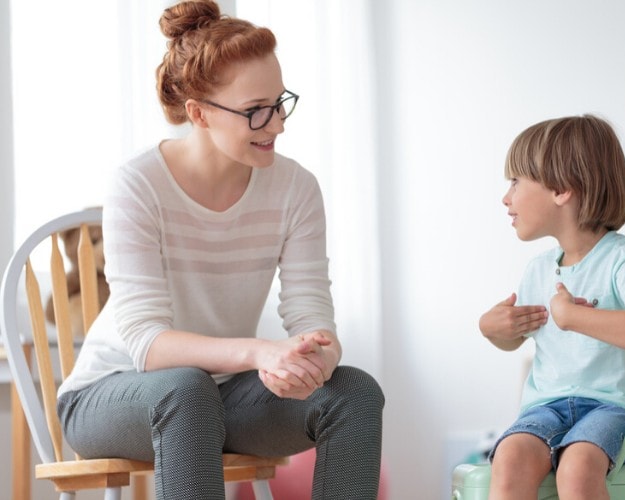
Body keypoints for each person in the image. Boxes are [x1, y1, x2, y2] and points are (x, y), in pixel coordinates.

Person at [56, 1, 384, 498]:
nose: (277, 125)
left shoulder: (296, 189)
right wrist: (258, 352)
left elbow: (312, 312)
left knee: (353, 392)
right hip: (114, 393)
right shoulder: (137, 185)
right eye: (255, 111)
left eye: (279, 103)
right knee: (185, 388)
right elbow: (148, 343)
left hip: (219, 395)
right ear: (198, 113)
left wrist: (312, 357)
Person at [479, 115, 625, 500]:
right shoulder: (538, 269)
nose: (507, 197)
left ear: (561, 189)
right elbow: (518, 339)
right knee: (509, 456)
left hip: (616, 410)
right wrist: (496, 330)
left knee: (577, 466)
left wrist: (576, 317)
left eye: (516, 182)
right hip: (546, 409)